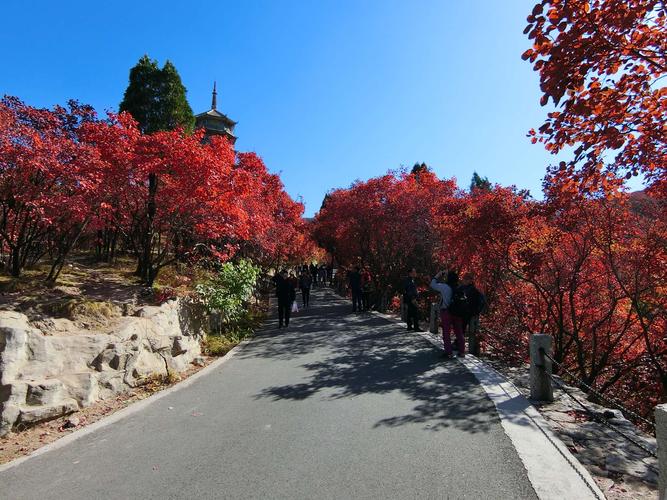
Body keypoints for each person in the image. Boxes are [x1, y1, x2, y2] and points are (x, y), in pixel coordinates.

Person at [430, 269, 464, 358]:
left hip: (447, 312)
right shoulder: (459, 287)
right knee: (459, 333)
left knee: (446, 332)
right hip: (458, 313)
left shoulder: (445, 287)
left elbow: (432, 284)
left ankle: (449, 352)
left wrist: (438, 275)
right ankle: (462, 351)